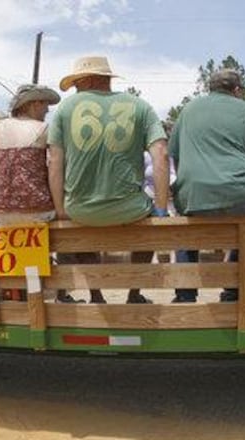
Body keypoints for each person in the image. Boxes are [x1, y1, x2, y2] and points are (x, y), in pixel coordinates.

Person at [48, 55, 169, 304]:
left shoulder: (64, 109)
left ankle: (97, 295)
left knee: (83, 233)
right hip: (130, 209)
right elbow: (161, 155)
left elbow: (54, 163)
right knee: (147, 231)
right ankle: (134, 294)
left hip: (80, 209)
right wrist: (161, 207)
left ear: (90, 79)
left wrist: (61, 209)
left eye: (77, 83)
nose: (75, 90)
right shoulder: (141, 106)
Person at [169, 69, 245, 303]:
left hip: (194, 196)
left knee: (185, 229)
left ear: (210, 87)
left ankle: (185, 295)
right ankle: (235, 291)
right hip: (243, 195)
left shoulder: (189, 110)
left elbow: (174, 156)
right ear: (237, 90)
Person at [0, 84, 61, 225]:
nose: (47, 110)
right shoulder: (45, 128)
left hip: (2, 213)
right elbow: (54, 174)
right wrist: (61, 211)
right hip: (39, 212)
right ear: (34, 104)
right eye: (45, 104)